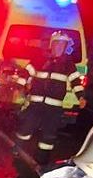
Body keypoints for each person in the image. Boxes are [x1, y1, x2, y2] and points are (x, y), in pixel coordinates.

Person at [15, 31, 86, 165]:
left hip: (54, 108)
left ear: (65, 47)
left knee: (48, 136)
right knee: (26, 128)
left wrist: (81, 97)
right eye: (57, 44)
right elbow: (26, 73)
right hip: (36, 103)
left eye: (62, 45)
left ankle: (41, 161)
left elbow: (76, 81)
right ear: (52, 45)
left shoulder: (68, 64)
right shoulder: (39, 59)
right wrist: (21, 86)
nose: (59, 47)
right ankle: (17, 149)